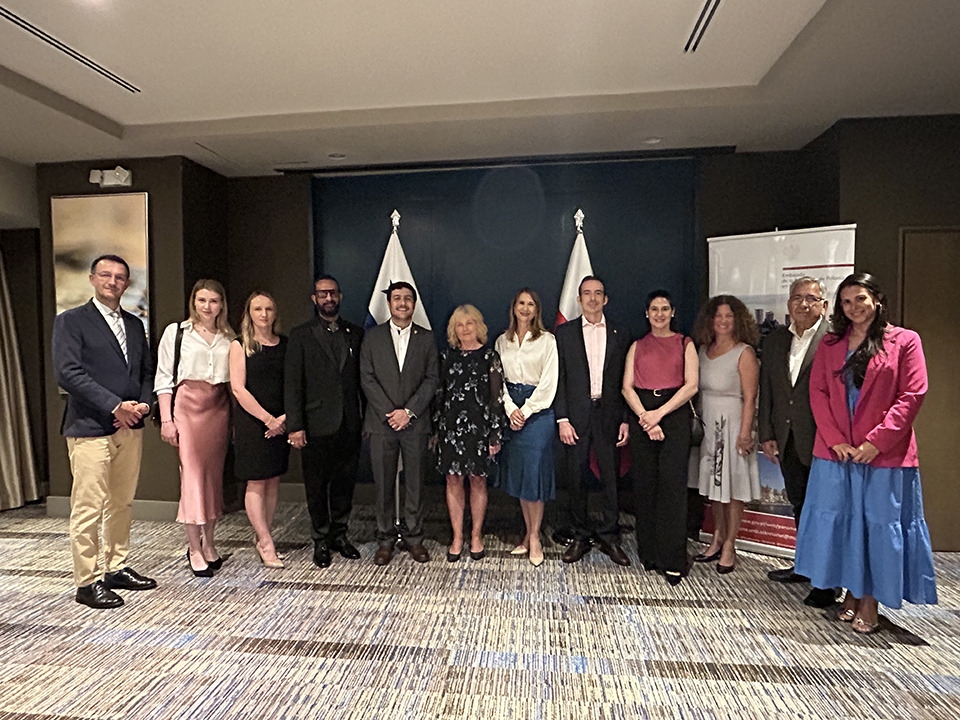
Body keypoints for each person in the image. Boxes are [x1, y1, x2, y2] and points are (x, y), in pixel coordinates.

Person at [795, 273, 937, 634]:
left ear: (877, 299)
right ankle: (852, 591)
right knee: (843, 524)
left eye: (860, 299)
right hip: (837, 454)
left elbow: (912, 395)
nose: (853, 307)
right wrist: (835, 440)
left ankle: (870, 598)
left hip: (884, 455)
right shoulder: (830, 343)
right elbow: (818, 393)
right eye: (846, 301)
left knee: (877, 526)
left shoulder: (905, 341)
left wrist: (877, 442)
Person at [52, 254, 157, 609]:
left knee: (121, 502)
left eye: (120, 277)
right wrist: (115, 406)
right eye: (106, 275)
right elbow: (68, 373)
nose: (113, 282)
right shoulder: (71, 321)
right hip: (90, 427)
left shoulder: (135, 324)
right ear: (93, 279)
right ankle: (87, 581)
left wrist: (143, 406)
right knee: (88, 507)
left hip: (130, 427)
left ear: (127, 283)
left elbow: (145, 372)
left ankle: (116, 567)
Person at [758, 277, 836, 607]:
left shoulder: (834, 339)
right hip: (787, 438)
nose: (803, 304)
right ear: (788, 303)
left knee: (826, 511)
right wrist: (766, 433)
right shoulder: (776, 340)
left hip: (824, 439)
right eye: (797, 298)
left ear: (824, 305)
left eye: (811, 298)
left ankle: (827, 582)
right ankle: (805, 565)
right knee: (800, 505)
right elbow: (768, 389)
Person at [286, 275, 364, 568]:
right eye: (322, 294)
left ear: (339, 296)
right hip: (314, 424)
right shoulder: (300, 335)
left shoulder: (355, 333)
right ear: (314, 299)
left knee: (344, 483)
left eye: (332, 293)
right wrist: (295, 425)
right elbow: (293, 384)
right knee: (316, 486)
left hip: (349, 422)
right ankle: (320, 539)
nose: (328, 298)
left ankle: (339, 534)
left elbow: (362, 382)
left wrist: (365, 419)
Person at [156, 279, 232, 578]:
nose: (207, 307)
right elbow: (164, 378)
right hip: (187, 410)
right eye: (202, 300)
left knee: (212, 479)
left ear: (221, 305)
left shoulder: (229, 337)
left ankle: (209, 542)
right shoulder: (177, 333)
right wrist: (167, 420)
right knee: (192, 479)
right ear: (193, 302)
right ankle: (193, 548)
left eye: (213, 301)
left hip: (218, 410)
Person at [360, 281, 439, 566]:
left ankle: (414, 538)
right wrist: (389, 413)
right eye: (397, 298)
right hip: (381, 424)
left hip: (415, 424)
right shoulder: (372, 337)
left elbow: (432, 379)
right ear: (389, 303)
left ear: (414, 304)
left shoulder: (427, 338)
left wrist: (409, 412)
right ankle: (385, 540)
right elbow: (367, 378)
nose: (402, 303)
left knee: (415, 483)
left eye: (407, 298)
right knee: (383, 484)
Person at [622, 290, 699, 585]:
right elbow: (627, 387)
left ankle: (673, 559)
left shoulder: (685, 343)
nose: (659, 314)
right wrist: (646, 417)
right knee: (645, 486)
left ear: (672, 312)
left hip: (674, 415)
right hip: (642, 414)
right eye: (654, 309)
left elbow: (691, 386)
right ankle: (650, 552)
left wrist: (659, 414)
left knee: (672, 489)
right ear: (647, 313)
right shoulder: (637, 345)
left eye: (665, 308)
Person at [554, 276, 631, 566]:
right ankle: (580, 535)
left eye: (598, 293)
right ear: (579, 299)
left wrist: (625, 419)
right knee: (576, 477)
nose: (593, 298)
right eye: (587, 293)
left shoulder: (621, 333)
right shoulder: (564, 334)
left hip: (609, 414)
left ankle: (610, 536)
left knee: (610, 477)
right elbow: (559, 379)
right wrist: (562, 418)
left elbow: (626, 380)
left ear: (605, 299)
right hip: (575, 416)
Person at [693, 295, 760, 574]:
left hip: (733, 426)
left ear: (738, 320)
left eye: (728, 316)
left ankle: (730, 545)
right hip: (709, 427)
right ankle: (717, 537)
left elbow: (750, 397)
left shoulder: (744, 353)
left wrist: (744, 433)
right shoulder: (702, 350)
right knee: (715, 488)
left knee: (732, 489)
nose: (722, 321)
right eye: (718, 316)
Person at [433, 305, 505, 562]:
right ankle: (457, 537)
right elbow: (439, 394)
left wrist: (495, 433)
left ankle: (475, 536)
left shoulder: (490, 357)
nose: (465, 328)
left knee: (477, 481)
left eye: (469, 323)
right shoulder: (446, 357)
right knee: (453, 480)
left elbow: (497, 399)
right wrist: (435, 430)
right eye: (459, 325)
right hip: (450, 429)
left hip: (480, 430)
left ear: (478, 326)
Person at [495, 288, 558, 567]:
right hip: (511, 411)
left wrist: (526, 410)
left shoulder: (547, 340)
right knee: (521, 476)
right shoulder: (502, 341)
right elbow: (498, 381)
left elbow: (549, 383)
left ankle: (534, 537)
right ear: (514, 307)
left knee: (534, 475)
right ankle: (527, 532)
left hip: (538, 413)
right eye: (521, 303)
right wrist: (511, 410)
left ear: (537, 310)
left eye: (531, 304)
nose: (525, 308)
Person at [230, 291, 289, 569]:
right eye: (257, 309)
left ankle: (263, 534)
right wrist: (268, 420)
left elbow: (293, 384)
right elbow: (238, 389)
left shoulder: (285, 344)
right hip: (253, 423)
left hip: (281, 422)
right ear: (249, 314)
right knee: (256, 481)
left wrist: (284, 418)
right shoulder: (240, 345)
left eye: (268, 309)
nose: (263, 314)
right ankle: (265, 542)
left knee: (273, 479)